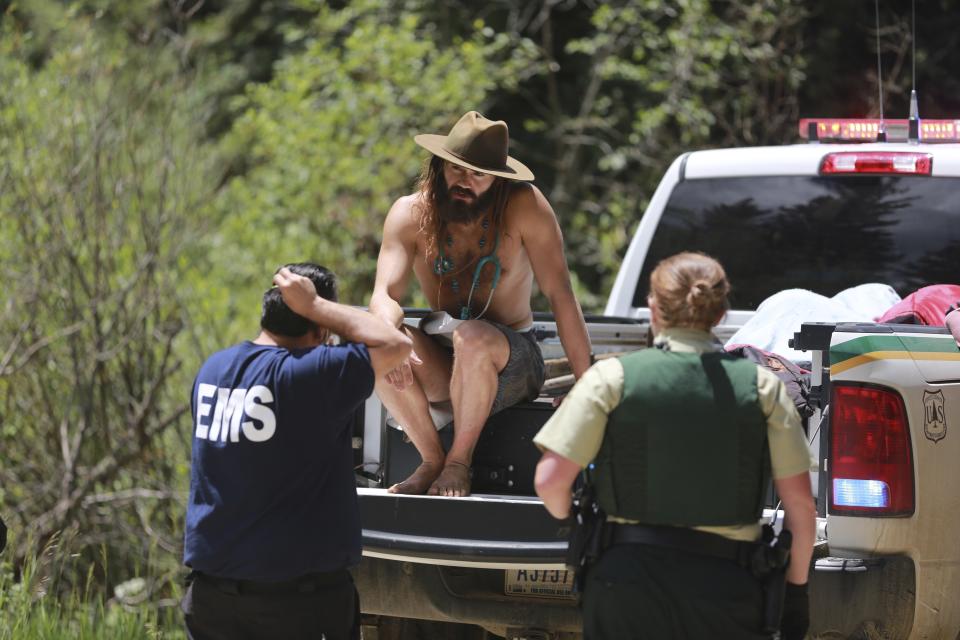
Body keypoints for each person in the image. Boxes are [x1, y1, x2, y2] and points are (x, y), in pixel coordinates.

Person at [533, 252, 817, 640]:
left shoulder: (610, 379)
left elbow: (550, 483)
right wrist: (796, 597)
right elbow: (801, 509)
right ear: (719, 316)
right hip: (725, 591)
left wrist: (578, 522)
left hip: (625, 587)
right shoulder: (762, 387)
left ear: (653, 309)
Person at [181, 263, 412, 640]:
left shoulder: (213, 371)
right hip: (296, 603)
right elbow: (397, 345)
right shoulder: (311, 374)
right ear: (318, 326)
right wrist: (318, 307)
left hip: (211, 598)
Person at [369, 111, 591, 497]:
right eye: (456, 169)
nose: (464, 182)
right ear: (439, 166)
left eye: (478, 175)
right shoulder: (409, 213)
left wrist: (586, 384)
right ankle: (432, 459)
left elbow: (560, 295)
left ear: (499, 179)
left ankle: (458, 464)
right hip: (442, 354)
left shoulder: (525, 207)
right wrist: (390, 336)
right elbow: (384, 295)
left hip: (513, 358)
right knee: (373, 341)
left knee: (471, 337)